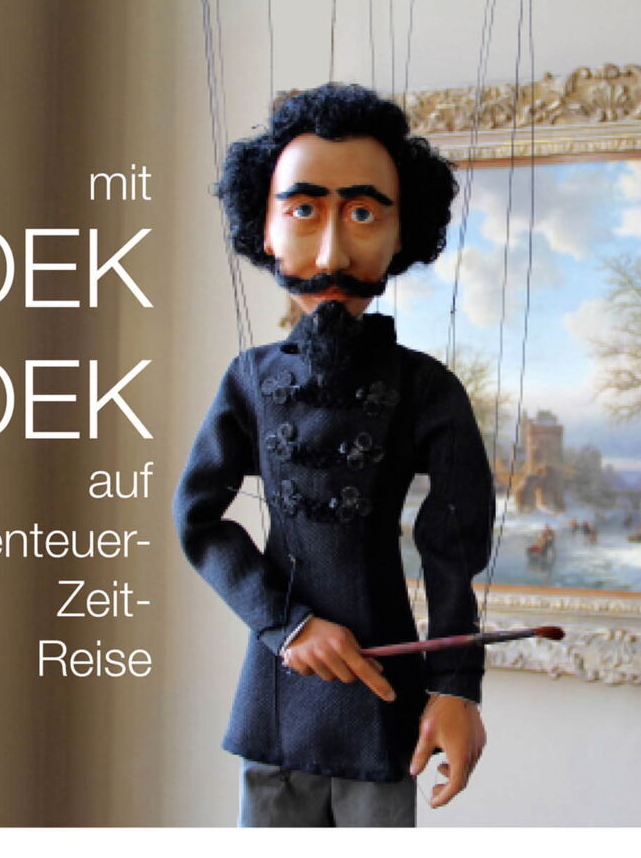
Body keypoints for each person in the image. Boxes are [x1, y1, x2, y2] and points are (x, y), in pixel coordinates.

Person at [173, 84, 494, 827]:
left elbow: (452, 546)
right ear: (264, 226)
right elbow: (199, 519)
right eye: (302, 210)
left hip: (381, 688)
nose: (330, 253)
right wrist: (284, 623)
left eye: (363, 214)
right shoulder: (249, 379)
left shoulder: (427, 389)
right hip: (278, 682)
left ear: (401, 231)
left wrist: (455, 686)